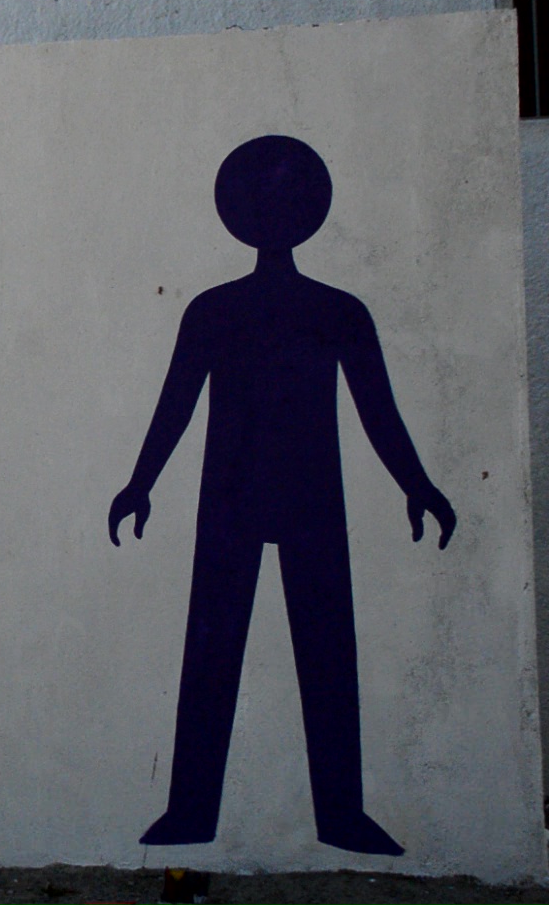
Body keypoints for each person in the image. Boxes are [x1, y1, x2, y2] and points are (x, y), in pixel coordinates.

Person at [107, 135, 455, 857]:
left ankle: (332, 816)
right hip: (247, 497)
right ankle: (198, 813)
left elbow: (376, 411)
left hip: (297, 499)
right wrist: (140, 483)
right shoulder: (234, 312)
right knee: (217, 651)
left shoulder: (325, 312)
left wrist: (417, 484)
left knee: (316, 652)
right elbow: (176, 404)